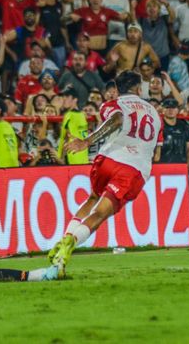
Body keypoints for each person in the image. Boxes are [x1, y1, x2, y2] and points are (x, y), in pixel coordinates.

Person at [48, 71, 163, 275]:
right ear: (139, 89)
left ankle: (62, 241)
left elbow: (117, 117)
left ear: (117, 89)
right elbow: (119, 121)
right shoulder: (154, 113)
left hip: (107, 160)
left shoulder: (111, 104)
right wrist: (87, 141)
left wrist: (89, 141)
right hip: (133, 168)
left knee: (93, 198)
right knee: (100, 214)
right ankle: (70, 242)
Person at [155, 98, 189, 168]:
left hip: (180, 165)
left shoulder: (184, 125)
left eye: (173, 107)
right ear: (162, 110)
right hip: (160, 166)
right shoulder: (157, 125)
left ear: (178, 110)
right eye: (167, 107)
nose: (170, 110)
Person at [57, 88, 89, 165]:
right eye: (64, 96)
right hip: (77, 158)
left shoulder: (74, 116)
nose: (64, 99)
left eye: (67, 96)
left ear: (75, 99)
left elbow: (64, 138)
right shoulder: (77, 115)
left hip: (74, 158)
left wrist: (59, 157)